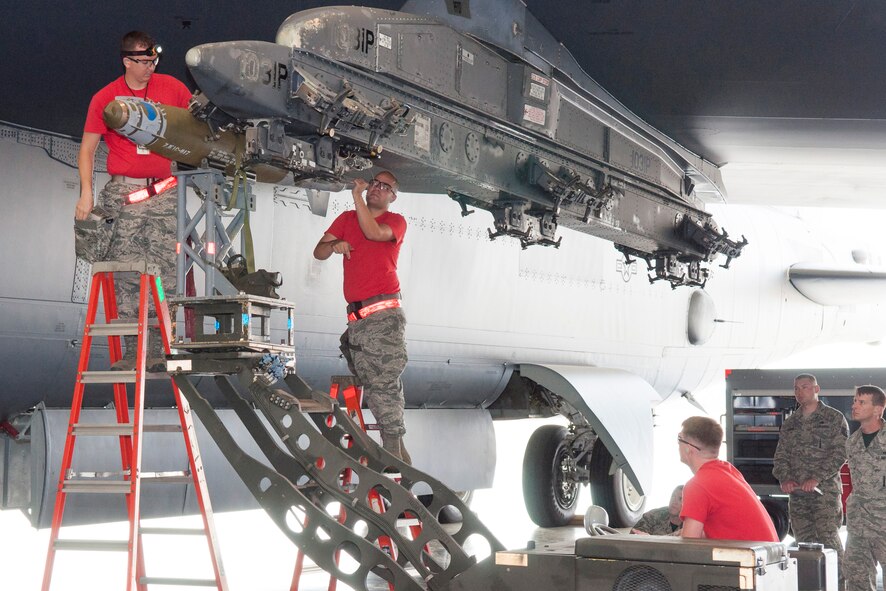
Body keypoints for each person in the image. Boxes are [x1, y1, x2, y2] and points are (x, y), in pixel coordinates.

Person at [76, 31, 191, 371]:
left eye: (153, 61)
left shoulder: (172, 88)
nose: (149, 68)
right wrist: (86, 192)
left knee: (166, 275)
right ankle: (132, 352)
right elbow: (88, 148)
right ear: (126, 60)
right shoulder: (106, 97)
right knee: (125, 275)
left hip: (165, 193)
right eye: (142, 62)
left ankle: (159, 351)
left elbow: (198, 125)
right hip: (124, 195)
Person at [313, 171, 409, 463]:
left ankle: (394, 462)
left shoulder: (395, 222)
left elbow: (373, 233)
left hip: (382, 318)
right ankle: (398, 468)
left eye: (384, 186)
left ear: (393, 196)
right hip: (358, 321)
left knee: (384, 387)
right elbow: (319, 252)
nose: (376, 188)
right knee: (376, 386)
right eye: (374, 183)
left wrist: (357, 199)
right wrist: (334, 246)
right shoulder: (346, 220)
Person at [772, 373, 848, 583]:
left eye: (805, 387)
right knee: (804, 545)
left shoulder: (833, 418)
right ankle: (812, 585)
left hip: (824, 494)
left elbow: (840, 453)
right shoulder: (791, 423)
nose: (799, 392)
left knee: (829, 542)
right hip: (798, 496)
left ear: (816, 389)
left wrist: (816, 478)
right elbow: (781, 456)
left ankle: (840, 585)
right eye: (796, 388)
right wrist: (785, 479)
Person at [678, 416, 778, 541]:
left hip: (748, 558)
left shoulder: (698, 485)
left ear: (689, 448)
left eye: (679, 438)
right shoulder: (729, 471)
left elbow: (688, 545)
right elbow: (714, 530)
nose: (677, 444)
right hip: (766, 555)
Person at [843, 385, 886, 591]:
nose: (854, 406)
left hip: (884, 523)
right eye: (854, 401)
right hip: (858, 524)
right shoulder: (852, 443)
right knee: (857, 577)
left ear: (878, 409)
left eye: (862, 402)